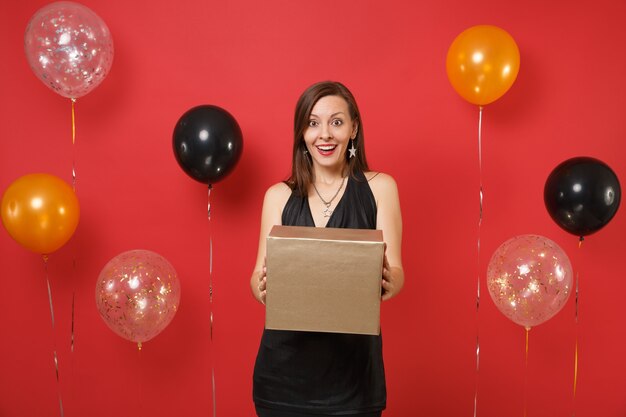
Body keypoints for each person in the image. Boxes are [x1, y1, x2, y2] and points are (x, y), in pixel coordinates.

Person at [250, 81, 404, 417]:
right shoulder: (278, 195)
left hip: (354, 379)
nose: (325, 134)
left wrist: (390, 281)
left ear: (353, 129)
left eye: (336, 122)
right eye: (313, 123)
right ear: (302, 132)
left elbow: (396, 270)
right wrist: (262, 288)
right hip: (282, 377)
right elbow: (256, 279)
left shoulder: (380, 188)